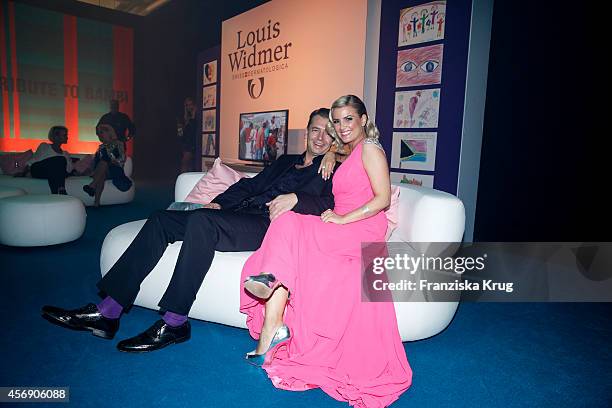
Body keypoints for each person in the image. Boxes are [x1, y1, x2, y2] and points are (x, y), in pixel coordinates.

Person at [41, 108, 336, 353]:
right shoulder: (287, 161)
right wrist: (218, 204)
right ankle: (108, 311)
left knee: (200, 223)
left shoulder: (331, 168)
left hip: (267, 226)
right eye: (315, 130)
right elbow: (249, 185)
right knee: (161, 218)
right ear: (307, 131)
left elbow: (328, 202)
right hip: (238, 213)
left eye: (327, 132)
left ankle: (175, 320)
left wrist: (298, 197)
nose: (320, 137)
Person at [240, 95, 412, 407]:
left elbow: (383, 198)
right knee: (288, 223)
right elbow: (343, 157)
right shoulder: (347, 149)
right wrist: (333, 151)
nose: (342, 126)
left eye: (349, 119)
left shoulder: (371, 148)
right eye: (337, 120)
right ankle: (271, 320)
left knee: (291, 224)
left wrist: (345, 218)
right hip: (340, 224)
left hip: (361, 228)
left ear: (363, 120)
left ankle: (270, 300)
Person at [82, 120, 132, 207]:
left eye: (102, 133)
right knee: (102, 174)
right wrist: (91, 170)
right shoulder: (101, 147)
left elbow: (121, 159)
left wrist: (111, 158)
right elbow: (96, 161)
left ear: (109, 133)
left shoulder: (118, 143)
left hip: (115, 169)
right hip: (102, 171)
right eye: (98, 134)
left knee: (105, 160)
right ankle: (96, 203)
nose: (100, 135)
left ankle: (92, 186)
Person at [16, 126, 73, 194]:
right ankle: (62, 189)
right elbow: (34, 160)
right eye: (64, 135)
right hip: (39, 170)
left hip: (53, 173)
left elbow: (68, 170)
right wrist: (23, 172)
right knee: (59, 159)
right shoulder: (45, 146)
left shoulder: (65, 154)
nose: (67, 137)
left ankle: (55, 193)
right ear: (56, 137)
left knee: (57, 166)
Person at [178, 97, 197, 172]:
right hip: (186, 143)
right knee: (186, 164)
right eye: (187, 105)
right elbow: (181, 133)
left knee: (185, 163)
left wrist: (193, 116)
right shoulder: (185, 117)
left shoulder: (196, 116)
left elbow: (193, 129)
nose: (189, 107)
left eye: (190, 104)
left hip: (192, 143)